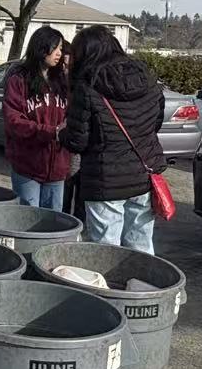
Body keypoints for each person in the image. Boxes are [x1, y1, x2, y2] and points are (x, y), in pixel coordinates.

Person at [62, 25, 166, 253]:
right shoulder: (147, 79)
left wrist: (61, 134)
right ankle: (142, 277)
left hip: (105, 181)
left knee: (105, 251)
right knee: (141, 247)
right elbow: (155, 123)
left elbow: (77, 142)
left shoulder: (87, 87)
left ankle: (108, 279)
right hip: (143, 176)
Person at [3, 25, 72, 209]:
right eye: (55, 48)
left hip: (57, 169)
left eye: (61, 49)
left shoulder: (63, 81)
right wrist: (50, 132)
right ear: (42, 48)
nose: (59, 53)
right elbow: (13, 122)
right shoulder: (19, 80)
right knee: (28, 218)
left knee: (54, 220)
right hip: (28, 168)